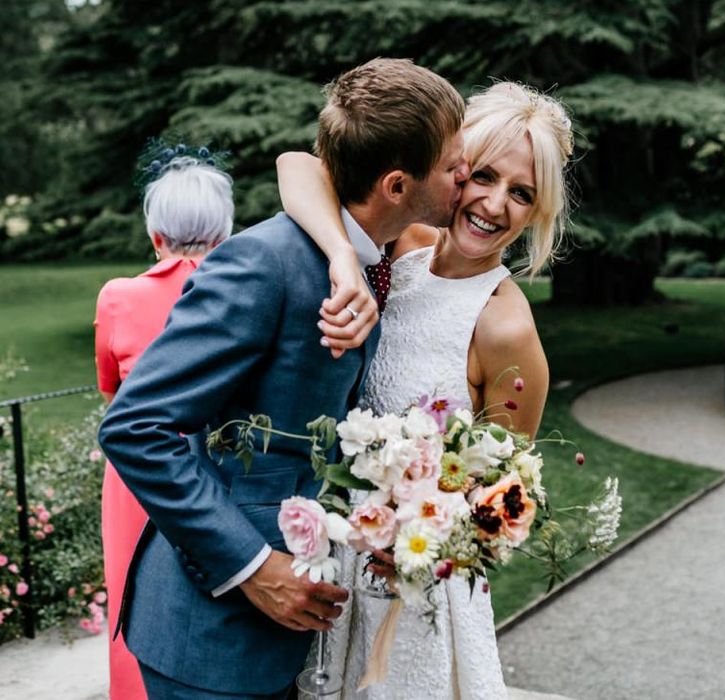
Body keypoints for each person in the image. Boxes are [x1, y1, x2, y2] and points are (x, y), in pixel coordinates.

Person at [98, 57, 468, 699]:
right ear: (398, 186)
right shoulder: (263, 264)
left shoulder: (370, 259)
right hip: (210, 638)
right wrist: (251, 565)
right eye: (453, 165)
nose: (466, 177)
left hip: (293, 638)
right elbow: (134, 426)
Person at [276, 80, 573, 698]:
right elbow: (298, 166)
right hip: (335, 561)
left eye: (522, 194)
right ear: (455, 167)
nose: (495, 205)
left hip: (416, 595)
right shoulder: (400, 248)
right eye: (484, 176)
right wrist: (338, 256)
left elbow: (510, 492)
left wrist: (436, 546)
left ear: (537, 212)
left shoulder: (505, 327)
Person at [94, 152, 234, 699]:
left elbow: (112, 392)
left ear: (156, 236)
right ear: (225, 234)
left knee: (132, 593)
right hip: (217, 467)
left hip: (136, 474)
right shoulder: (237, 293)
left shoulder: (117, 297)